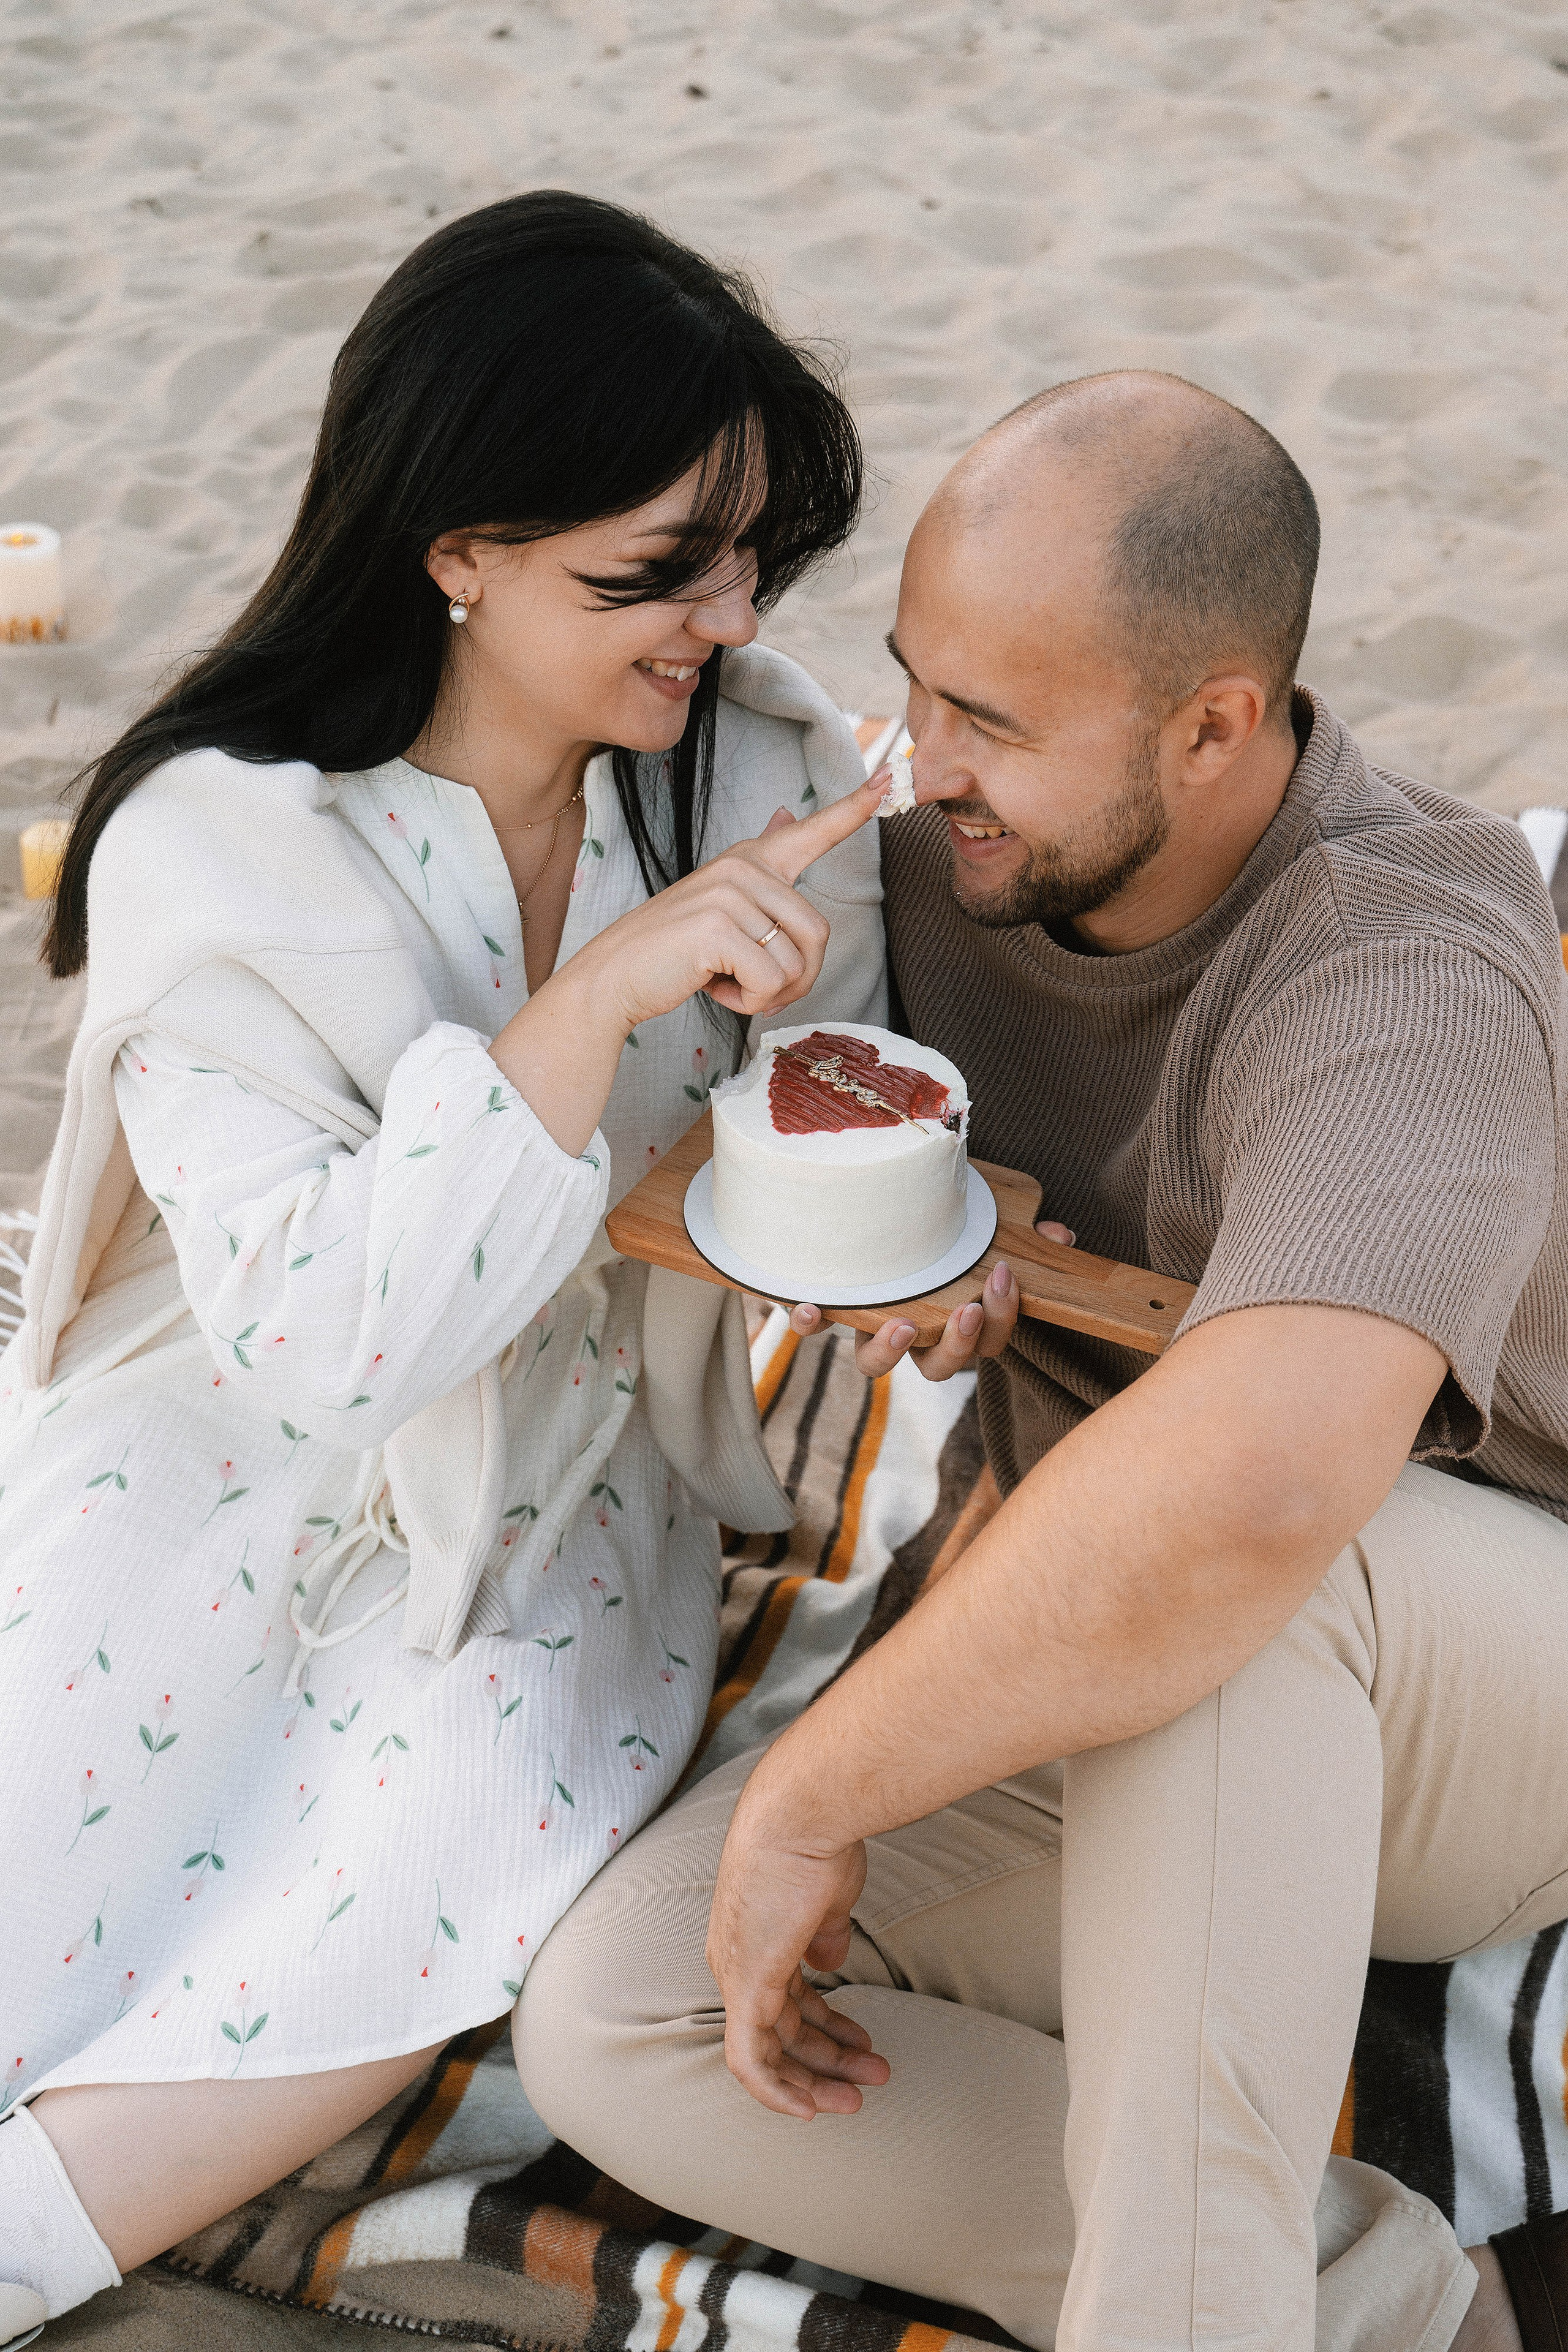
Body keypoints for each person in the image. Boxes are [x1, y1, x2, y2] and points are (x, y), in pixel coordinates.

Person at [515, 372, 1568, 2352]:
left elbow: (1258, 1486)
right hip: (1155, 1661)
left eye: (995, 723)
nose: (925, 766)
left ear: (1217, 726)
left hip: (1502, 1677)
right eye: (923, 687)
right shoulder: (939, 854)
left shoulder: (1405, 956)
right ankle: (1386, 2311)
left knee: (1236, 1573)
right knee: (627, 2017)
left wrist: (818, 1789)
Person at [0, 189, 903, 2346]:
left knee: (433, 1875)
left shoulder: (756, 769)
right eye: (653, 571)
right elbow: (317, 1348)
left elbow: (823, 1165)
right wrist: (591, 1012)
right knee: (80, 1805)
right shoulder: (219, 840)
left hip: (576, 1496)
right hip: (230, 1435)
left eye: (754, 550)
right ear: (458, 548)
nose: (726, 612)